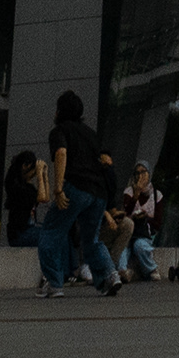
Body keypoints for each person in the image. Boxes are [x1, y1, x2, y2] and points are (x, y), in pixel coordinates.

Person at [45, 90, 121, 297]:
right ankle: (110, 275)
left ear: (60, 111)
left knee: (51, 231)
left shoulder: (59, 131)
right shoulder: (91, 133)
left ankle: (54, 284)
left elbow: (61, 153)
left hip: (77, 187)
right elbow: (104, 161)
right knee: (91, 239)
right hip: (98, 192)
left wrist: (58, 188)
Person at [0, 151, 49, 293]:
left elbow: (45, 198)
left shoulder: (28, 187)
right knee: (49, 235)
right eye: (33, 171)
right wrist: (40, 176)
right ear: (25, 167)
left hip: (29, 230)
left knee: (56, 232)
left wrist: (44, 176)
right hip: (20, 233)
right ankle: (49, 274)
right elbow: (41, 198)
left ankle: (66, 272)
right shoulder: (16, 187)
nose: (34, 175)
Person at [117, 163, 162, 279]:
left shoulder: (156, 195)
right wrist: (136, 194)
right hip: (129, 232)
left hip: (145, 233)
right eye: (137, 173)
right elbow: (126, 212)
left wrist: (146, 218)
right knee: (123, 247)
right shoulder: (129, 192)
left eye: (143, 172)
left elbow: (158, 223)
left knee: (139, 245)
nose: (140, 176)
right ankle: (123, 272)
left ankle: (151, 269)